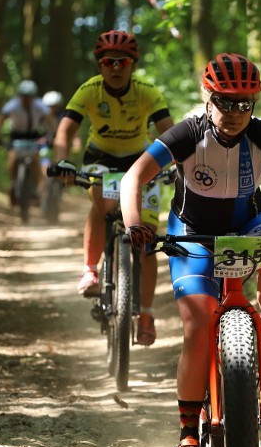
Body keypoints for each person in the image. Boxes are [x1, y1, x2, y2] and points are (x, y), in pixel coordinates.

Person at [120, 53, 261, 447]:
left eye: (245, 104)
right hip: (192, 230)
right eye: (225, 102)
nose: (235, 113)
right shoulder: (188, 133)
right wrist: (133, 223)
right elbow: (134, 177)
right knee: (198, 326)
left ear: (254, 103)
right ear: (208, 96)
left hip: (247, 222)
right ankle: (187, 433)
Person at [53, 30, 174, 346]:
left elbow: (171, 133)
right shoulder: (90, 90)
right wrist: (63, 161)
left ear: (133, 65)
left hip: (141, 162)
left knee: (147, 237)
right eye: (108, 62)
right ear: (100, 65)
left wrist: (179, 165)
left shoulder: (147, 92)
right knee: (104, 205)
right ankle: (91, 270)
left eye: (122, 62)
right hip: (101, 160)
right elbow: (65, 130)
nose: (115, 68)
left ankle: (146, 313)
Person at [0, 80, 56, 206]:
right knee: (12, 158)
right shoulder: (13, 105)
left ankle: (38, 190)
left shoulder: (39, 105)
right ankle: (13, 184)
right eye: (24, 96)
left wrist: (53, 135)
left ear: (33, 96)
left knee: (35, 161)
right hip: (16, 136)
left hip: (33, 135)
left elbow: (50, 120)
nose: (26, 99)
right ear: (19, 96)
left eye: (29, 97)